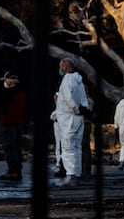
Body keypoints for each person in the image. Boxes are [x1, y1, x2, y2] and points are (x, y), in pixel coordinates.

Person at [55, 57, 89, 187]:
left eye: (61, 66)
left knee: (68, 146)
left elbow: (68, 100)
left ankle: (70, 175)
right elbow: (84, 99)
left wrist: (74, 110)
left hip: (68, 118)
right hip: (79, 118)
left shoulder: (67, 81)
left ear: (64, 67)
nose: (60, 69)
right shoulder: (79, 81)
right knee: (77, 147)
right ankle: (77, 173)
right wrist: (82, 111)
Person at [0, 71, 26, 180]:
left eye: (6, 80)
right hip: (17, 122)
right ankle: (16, 169)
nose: (4, 82)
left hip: (10, 122)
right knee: (16, 146)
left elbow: (4, 102)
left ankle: (13, 170)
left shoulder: (12, 93)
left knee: (10, 147)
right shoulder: (20, 92)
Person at [50, 91, 65, 177]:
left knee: (61, 144)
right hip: (56, 124)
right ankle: (58, 162)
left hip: (61, 124)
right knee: (57, 144)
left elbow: (53, 115)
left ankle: (61, 163)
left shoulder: (61, 105)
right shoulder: (55, 105)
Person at [81, 84, 94, 177]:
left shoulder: (88, 100)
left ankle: (86, 170)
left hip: (86, 123)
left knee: (85, 146)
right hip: (82, 123)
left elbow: (87, 112)